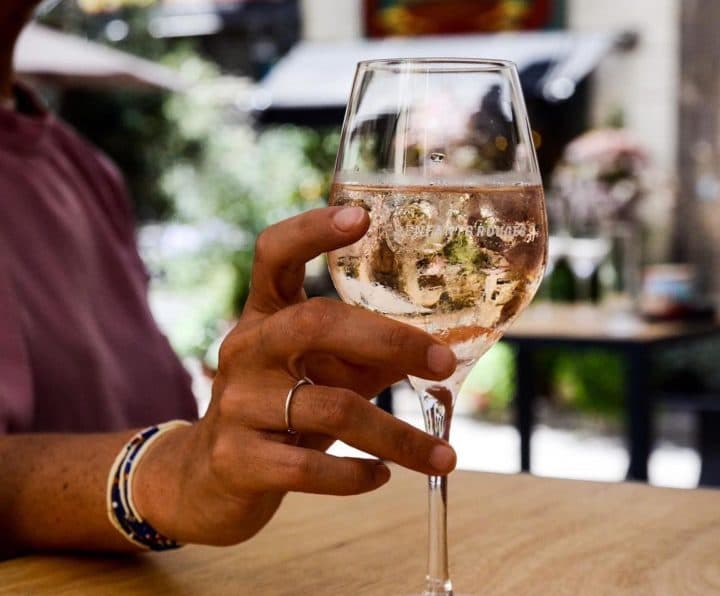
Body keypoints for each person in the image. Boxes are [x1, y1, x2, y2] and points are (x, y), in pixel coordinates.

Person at [0, 3, 458, 558]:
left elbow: (163, 422)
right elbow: (173, 469)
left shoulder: (83, 170)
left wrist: (243, 426)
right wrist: (163, 477)